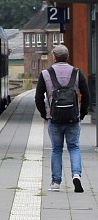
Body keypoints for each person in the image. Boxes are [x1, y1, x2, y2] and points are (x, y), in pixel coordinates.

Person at [35, 44, 90, 192]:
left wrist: (44, 114)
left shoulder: (46, 74)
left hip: (54, 118)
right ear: (67, 57)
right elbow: (86, 95)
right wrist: (82, 113)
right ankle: (76, 175)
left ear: (54, 57)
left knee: (56, 149)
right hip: (73, 118)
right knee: (74, 147)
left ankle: (56, 182)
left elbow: (38, 98)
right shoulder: (77, 73)